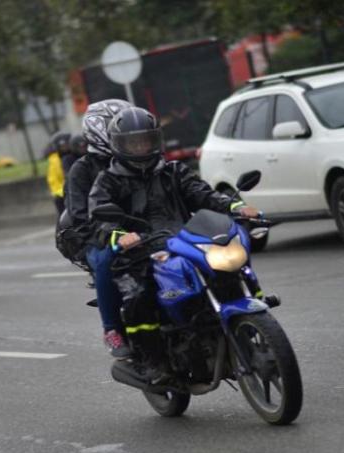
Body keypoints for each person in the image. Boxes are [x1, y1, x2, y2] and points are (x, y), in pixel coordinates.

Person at [88, 107, 261, 382]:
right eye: (133, 142)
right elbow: (100, 216)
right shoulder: (108, 181)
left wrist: (236, 206)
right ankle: (154, 362)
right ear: (119, 146)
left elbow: (202, 194)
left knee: (229, 267)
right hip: (139, 251)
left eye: (145, 140)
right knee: (140, 297)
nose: (140, 147)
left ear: (155, 140)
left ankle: (250, 312)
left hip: (183, 241)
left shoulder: (173, 171)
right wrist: (119, 235)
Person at [58, 99, 133, 358]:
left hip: (142, 232)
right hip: (97, 237)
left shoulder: (140, 159)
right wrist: (109, 233)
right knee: (106, 259)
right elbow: (80, 217)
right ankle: (111, 329)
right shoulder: (81, 170)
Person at [46, 132, 70, 217]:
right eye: (62, 146)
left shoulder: (76, 156)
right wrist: (62, 192)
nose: (65, 148)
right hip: (64, 193)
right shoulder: (54, 160)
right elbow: (53, 181)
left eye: (67, 144)